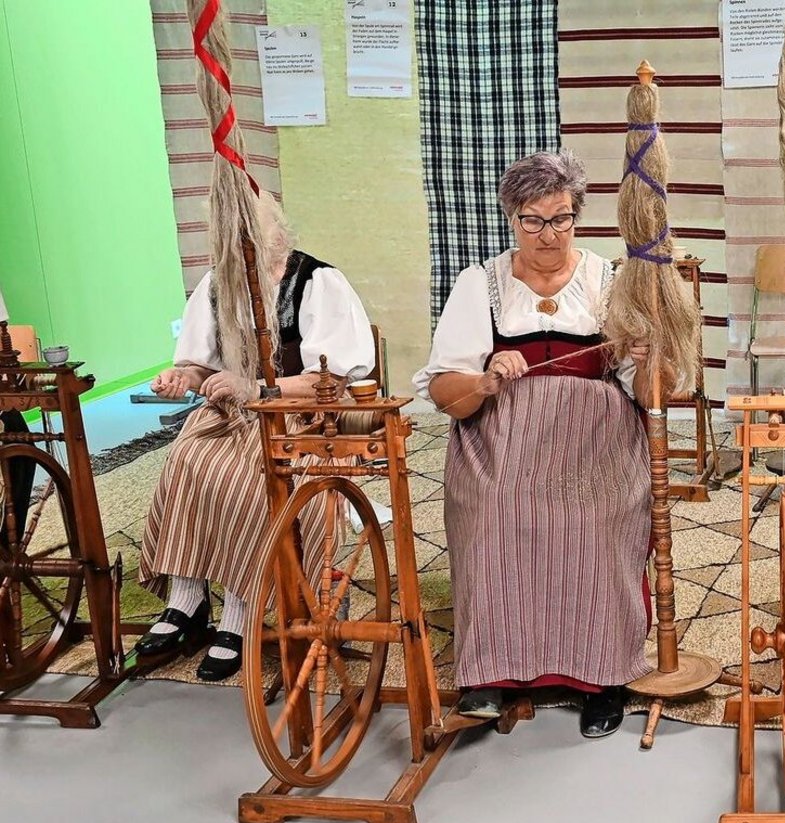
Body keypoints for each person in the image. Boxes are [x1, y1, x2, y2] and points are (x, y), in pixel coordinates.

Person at [415, 150, 664, 739]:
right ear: (511, 218)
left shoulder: (609, 281)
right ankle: (491, 674)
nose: (547, 234)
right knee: (494, 513)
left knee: (598, 524)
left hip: (595, 447)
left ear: (577, 215)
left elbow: (651, 394)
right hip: (503, 442)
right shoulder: (482, 285)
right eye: (533, 220)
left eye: (561, 219)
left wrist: (651, 359)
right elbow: (446, 391)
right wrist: (483, 379)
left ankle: (602, 677)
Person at [134, 192, 374, 681]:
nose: (238, 245)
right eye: (229, 236)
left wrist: (259, 388)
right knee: (187, 461)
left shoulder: (317, 282)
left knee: (248, 482)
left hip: (302, 415)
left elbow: (332, 379)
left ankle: (241, 613)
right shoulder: (216, 285)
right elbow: (200, 365)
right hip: (232, 413)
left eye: (249, 234)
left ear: (278, 235)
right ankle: (188, 598)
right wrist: (183, 375)